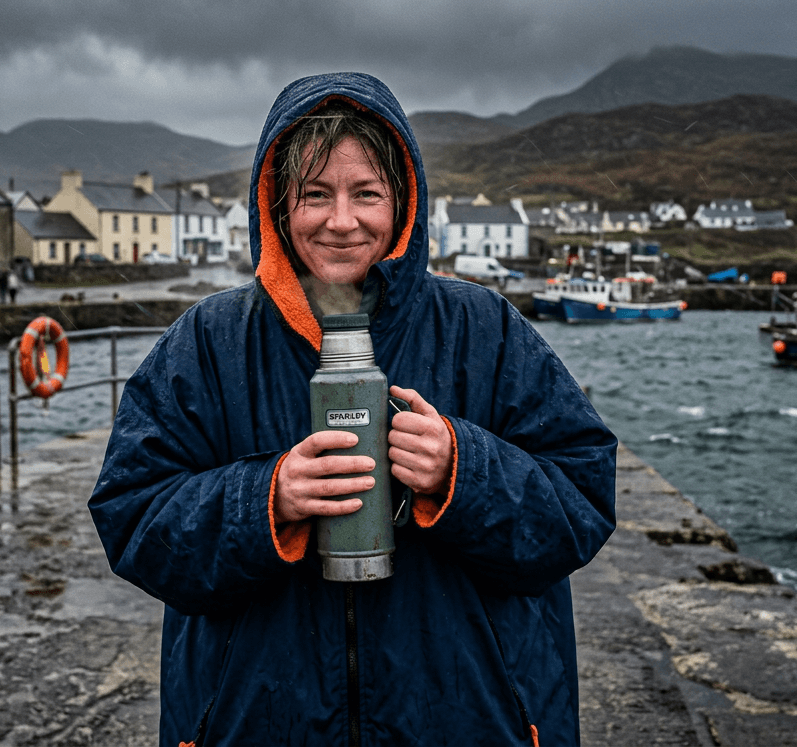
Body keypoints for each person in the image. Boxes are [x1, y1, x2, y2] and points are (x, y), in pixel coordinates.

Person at [89, 73, 616, 746]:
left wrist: (463, 467)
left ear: (403, 203)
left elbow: (583, 500)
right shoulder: (208, 342)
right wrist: (266, 498)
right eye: (315, 195)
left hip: (466, 721)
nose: (342, 221)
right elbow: (131, 518)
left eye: (366, 193)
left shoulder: (484, 329)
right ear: (278, 206)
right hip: (257, 723)